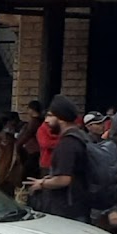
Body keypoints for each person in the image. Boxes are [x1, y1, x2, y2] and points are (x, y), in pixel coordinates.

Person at [26, 95, 91, 223]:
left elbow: (64, 179)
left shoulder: (67, 143)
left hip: (67, 210)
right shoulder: (82, 136)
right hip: (79, 206)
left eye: (50, 116)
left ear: (61, 118)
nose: (46, 121)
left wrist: (42, 184)